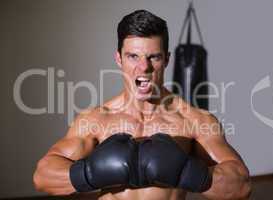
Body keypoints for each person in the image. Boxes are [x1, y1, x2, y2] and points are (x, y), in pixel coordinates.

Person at [33, 10, 251, 200]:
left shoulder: (195, 120)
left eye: (153, 57)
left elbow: (241, 185)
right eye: (133, 56)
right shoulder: (96, 120)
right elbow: (43, 177)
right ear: (119, 59)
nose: (143, 67)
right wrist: (90, 173)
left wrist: (185, 172)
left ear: (166, 59)